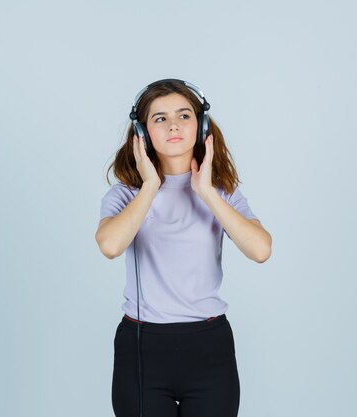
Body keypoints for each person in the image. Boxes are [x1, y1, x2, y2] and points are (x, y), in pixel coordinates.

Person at [95, 79, 272, 417]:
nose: (173, 125)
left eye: (184, 115)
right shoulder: (125, 194)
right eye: (159, 118)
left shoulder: (222, 192)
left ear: (201, 125)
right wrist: (150, 186)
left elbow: (260, 250)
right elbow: (111, 245)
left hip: (209, 347)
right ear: (142, 133)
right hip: (142, 347)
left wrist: (205, 191)